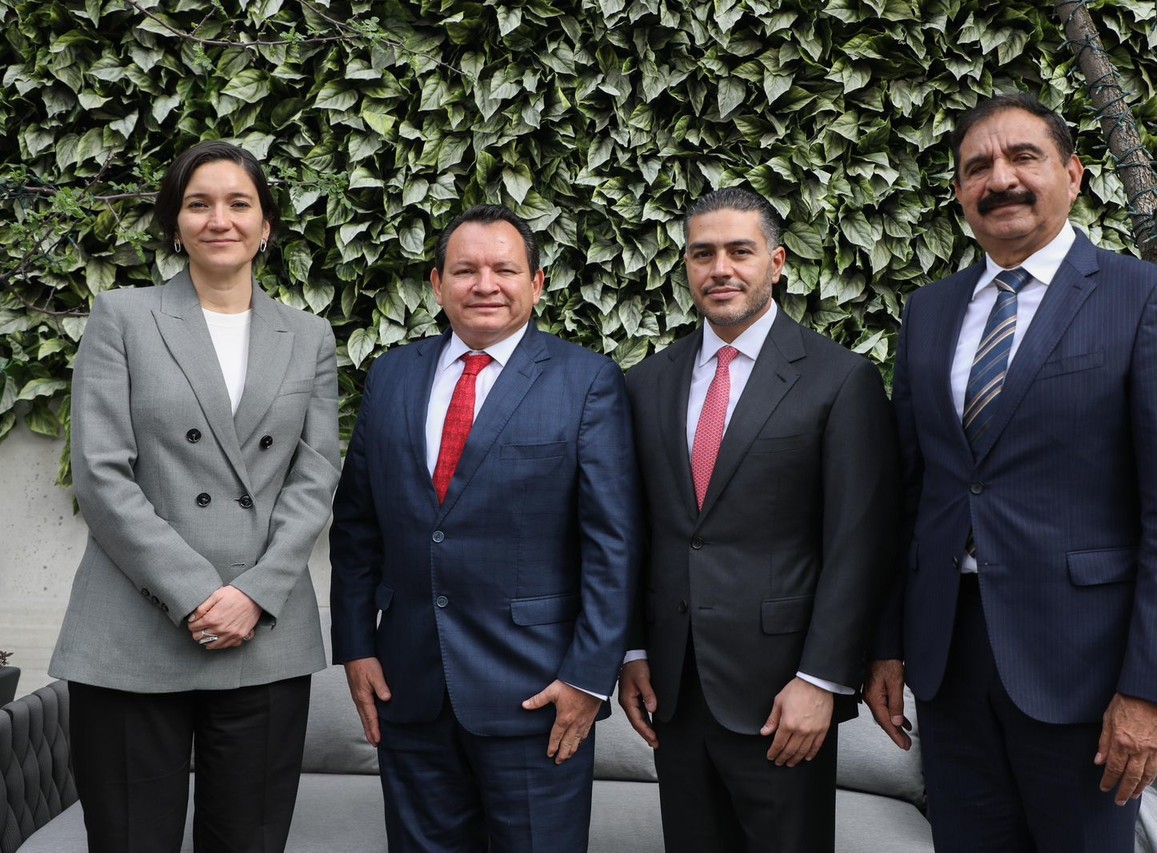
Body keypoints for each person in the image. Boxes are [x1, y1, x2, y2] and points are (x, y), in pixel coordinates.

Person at [865, 93, 1157, 852]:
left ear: (1073, 173)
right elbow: (912, 490)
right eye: (977, 167)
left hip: (1086, 673)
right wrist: (888, 641)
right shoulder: (930, 311)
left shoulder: (1144, 299)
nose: (1001, 179)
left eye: (1023, 157)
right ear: (960, 193)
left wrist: (1152, 691)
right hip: (951, 661)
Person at [50, 140, 341, 852]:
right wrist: (194, 592)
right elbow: (101, 472)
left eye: (239, 203)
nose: (220, 219)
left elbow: (314, 477)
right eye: (198, 203)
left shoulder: (308, 335)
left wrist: (254, 594)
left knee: (248, 840)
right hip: (130, 630)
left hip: (264, 633)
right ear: (175, 222)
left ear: (266, 223)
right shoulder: (123, 316)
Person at [328, 204, 642, 853]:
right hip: (409, 690)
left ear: (538, 282)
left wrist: (588, 678)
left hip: (537, 695)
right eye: (466, 269)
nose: (485, 284)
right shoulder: (390, 376)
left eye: (504, 268)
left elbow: (614, 544)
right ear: (438, 283)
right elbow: (357, 524)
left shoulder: (587, 383)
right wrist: (357, 644)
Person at [618, 187, 899, 852]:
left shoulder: (840, 379)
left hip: (784, 692)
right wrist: (631, 651)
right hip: (674, 693)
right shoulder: (644, 384)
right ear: (686, 266)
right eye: (702, 253)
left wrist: (822, 679)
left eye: (740, 251)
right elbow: (632, 531)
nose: (721, 268)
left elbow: (858, 542)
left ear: (776, 262)